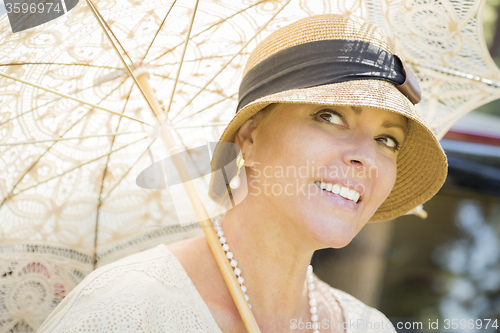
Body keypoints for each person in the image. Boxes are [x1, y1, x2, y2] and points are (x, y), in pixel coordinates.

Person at [37, 14, 447, 333]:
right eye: (330, 115)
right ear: (249, 138)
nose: (366, 158)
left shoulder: (367, 327)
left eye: (387, 140)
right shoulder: (123, 310)